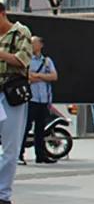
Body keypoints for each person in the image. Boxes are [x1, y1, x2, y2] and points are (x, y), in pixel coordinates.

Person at [0, 3, 32, 204]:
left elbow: (23, 60)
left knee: (10, 146)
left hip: (10, 94)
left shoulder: (20, 32)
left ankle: (2, 194)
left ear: (2, 14)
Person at [23, 36, 58, 164]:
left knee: (41, 129)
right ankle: (20, 154)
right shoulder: (27, 60)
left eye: (34, 43)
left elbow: (54, 76)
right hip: (31, 99)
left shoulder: (47, 61)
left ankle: (41, 155)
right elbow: (28, 77)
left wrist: (37, 75)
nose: (31, 45)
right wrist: (44, 77)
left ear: (41, 45)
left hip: (44, 99)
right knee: (25, 127)